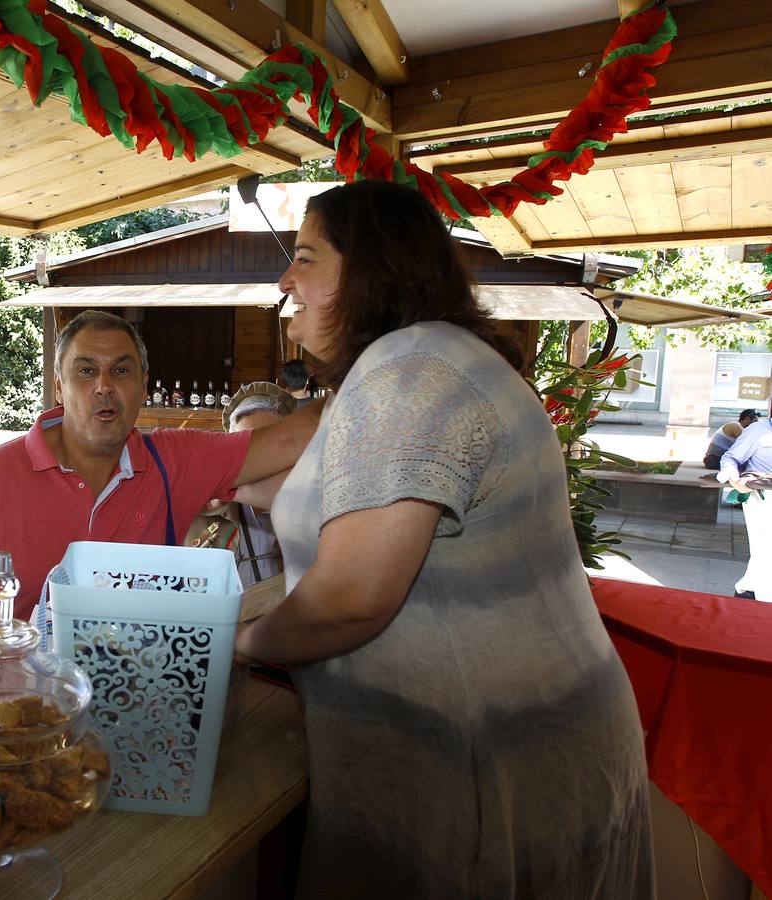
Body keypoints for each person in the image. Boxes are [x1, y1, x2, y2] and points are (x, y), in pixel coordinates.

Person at [233, 181, 652, 897]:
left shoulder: (411, 369)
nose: (284, 279)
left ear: (367, 266)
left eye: (304, 258)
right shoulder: (419, 362)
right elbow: (318, 496)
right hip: (521, 748)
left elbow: (351, 598)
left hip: (494, 763)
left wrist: (232, 644)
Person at [0, 310, 324, 658]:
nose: (104, 386)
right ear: (60, 387)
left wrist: (366, 364)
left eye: (121, 370)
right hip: (26, 708)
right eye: (86, 371)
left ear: (144, 384)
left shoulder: (173, 460)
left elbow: (287, 437)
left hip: (141, 699)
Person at [222, 382, 298, 585]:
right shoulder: (209, 512)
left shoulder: (310, 511)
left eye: (271, 444)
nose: (258, 456)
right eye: (244, 443)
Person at [718, 412, 772, 601]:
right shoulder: (758, 430)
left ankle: (745, 591)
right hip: (763, 498)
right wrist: (734, 478)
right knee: (766, 552)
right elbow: (730, 458)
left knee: (764, 554)